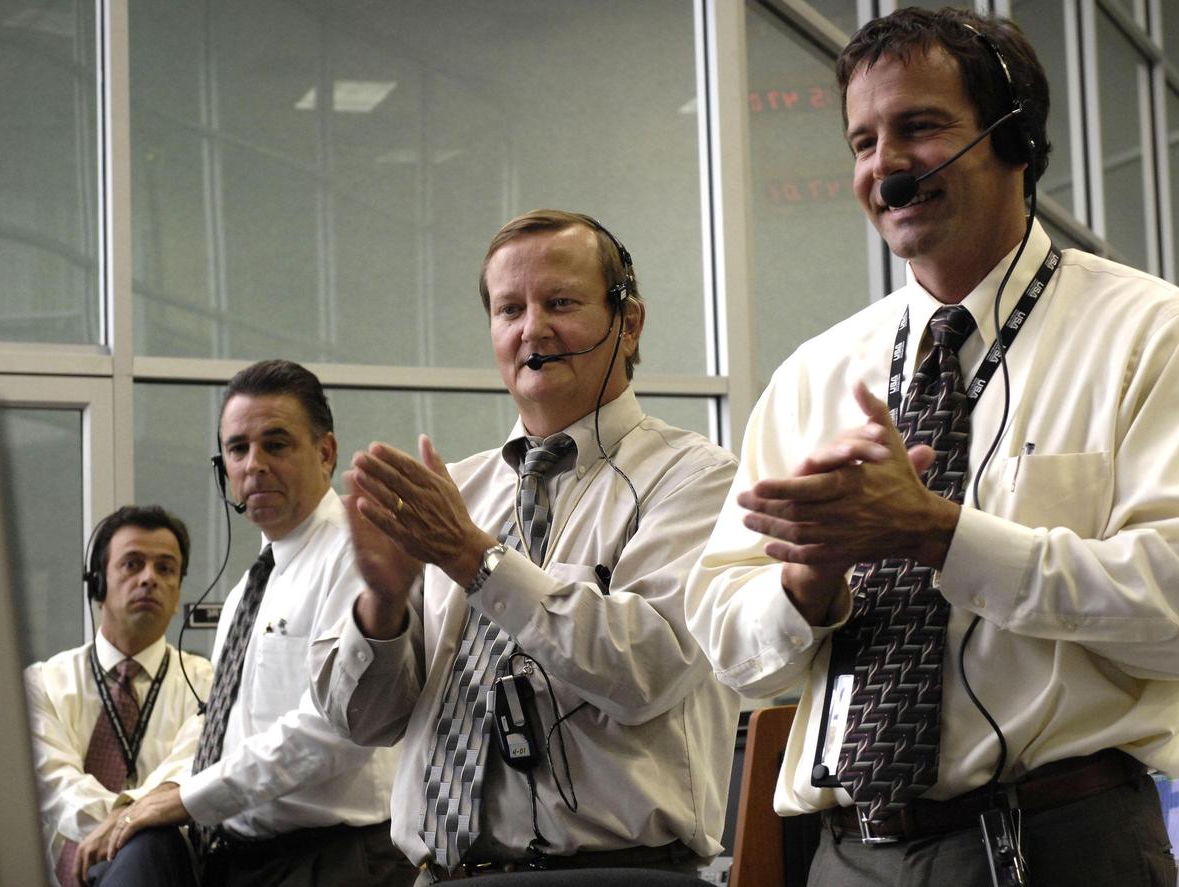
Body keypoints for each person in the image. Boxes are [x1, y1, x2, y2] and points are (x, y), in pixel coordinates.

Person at [686, 7, 1179, 886]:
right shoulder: (815, 373)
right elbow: (725, 639)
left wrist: (939, 534)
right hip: (845, 852)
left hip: (1063, 840)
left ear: (1016, 137)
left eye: (918, 127)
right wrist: (807, 580)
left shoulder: (1150, 335)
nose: (886, 167)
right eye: (863, 142)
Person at [311, 209, 740, 883]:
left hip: (611, 873)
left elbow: (647, 669)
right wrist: (385, 606)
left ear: (629, 322)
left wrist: (473, 560)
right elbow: (360, 720)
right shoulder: (457, 492)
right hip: (436, 873)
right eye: (509, 308)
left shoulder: (697, 477)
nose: (532, 330)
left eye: (560, 302)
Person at [92, 360, 412, 887]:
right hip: (245, 859)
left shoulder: (357, 556)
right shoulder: (250, 587)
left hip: (335, 862)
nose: (254, 464)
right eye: (238, 448)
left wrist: (190, 800)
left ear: (325, 453)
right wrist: (149, 800)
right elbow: (226, 728)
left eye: (276, 444)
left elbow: (335, 729)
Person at [26, 505, 213, 887]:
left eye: (165, 569)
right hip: (58, 877)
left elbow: (188, 777)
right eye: (132, 564)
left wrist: (134, 821)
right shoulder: (42, 684)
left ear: (178, 593)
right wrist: (133, 814)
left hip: (167, 871)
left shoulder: (207, 683)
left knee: (153, 838)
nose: (149, 579)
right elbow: (58, 791)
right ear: (98, 583)